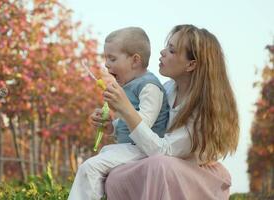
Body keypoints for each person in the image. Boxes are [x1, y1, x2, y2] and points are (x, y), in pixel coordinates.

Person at [102, 24, 239, 200]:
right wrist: (112, 127)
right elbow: (148, 131)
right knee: (117, 175)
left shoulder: (203, 110)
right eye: (167, 46)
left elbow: (162, 150)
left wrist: (127, 111)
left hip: (193, 176)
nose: (162, 52)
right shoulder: (166, 90)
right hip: (160, 163)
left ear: (191, 64)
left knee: (159, 164)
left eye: (172, 50)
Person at [68, 27, 169, 200]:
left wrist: (121, 106)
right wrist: (110, 127)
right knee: (97, 163)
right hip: (130, 148)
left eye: (112, 58)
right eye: (106, 58)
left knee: (90, 168)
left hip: (143, 150)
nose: (106, 64)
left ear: (135, 60)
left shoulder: (149, 86)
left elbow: (143, 124)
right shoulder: (129, 85)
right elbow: (127, 122)